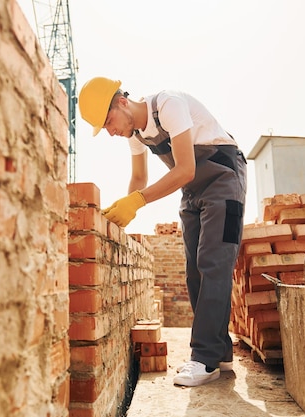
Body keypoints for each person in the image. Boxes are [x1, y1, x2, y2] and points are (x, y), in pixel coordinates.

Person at [77, 77, 247, 387]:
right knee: (195, 270)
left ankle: (205, 359)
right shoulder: (136, 134)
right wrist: (123, 215)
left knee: (213, 264)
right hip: (193, 191)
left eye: (108, 122)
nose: (111, 131)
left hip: (224, 179)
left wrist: (138, 201)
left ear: (122, 103)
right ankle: (220, 355)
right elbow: (139, 179)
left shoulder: (168, 105)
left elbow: (185, 169)